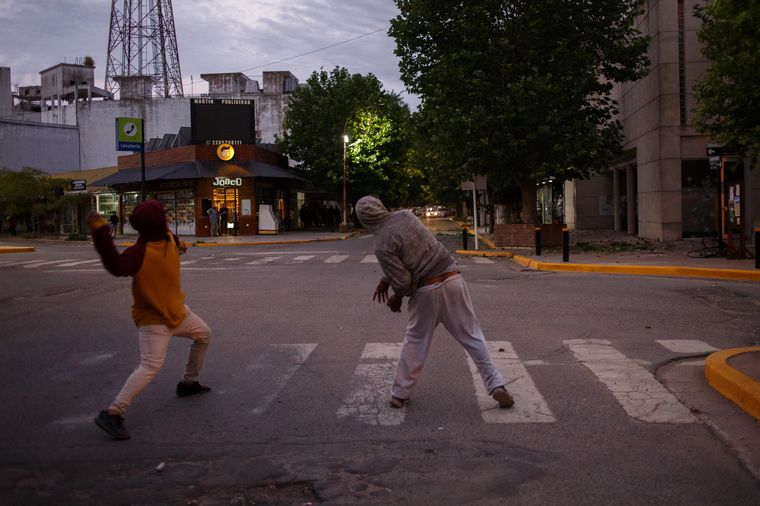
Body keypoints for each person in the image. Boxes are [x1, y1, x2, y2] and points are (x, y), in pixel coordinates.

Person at [355, 195, 514, 410]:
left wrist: (397, 296)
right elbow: (416, 248)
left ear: (364, 220)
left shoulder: (381, 244)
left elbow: (403, 281)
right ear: (380, 206)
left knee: (415, 341)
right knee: (472, 336)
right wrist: (386, 279)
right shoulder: (406, 216)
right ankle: (496, 385)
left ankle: (400, 394)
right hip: (451, 278)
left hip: (426, 290)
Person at [87, 200, 213, 440]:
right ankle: (112, 413)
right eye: (163, 216)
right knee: (150, 366)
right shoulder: (139, 253)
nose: (167, 219)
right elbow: (115, 266)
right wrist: (101, 231)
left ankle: (188, 384)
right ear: (156, 223)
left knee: (204, 335)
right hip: (153, 318)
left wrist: (182, 246)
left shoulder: (168, 238)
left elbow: (176, 245)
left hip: (177, 311)